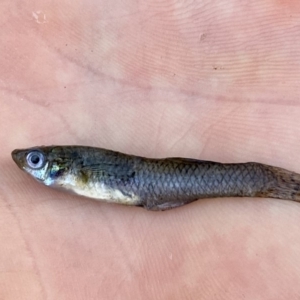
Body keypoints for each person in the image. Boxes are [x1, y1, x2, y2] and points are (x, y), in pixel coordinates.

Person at [1, 1, 300, 299]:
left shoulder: (77, 167)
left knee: (216, 176)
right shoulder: (74, 169)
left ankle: (270, 182)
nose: (27, 163)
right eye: (34, 159)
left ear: (61, 163)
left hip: (145, 183)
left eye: (35, 160)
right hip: (145, 186)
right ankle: (271, 183)